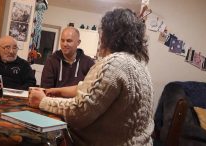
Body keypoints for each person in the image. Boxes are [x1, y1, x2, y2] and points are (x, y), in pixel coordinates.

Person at [28, 8, 154, 146]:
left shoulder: (114, 63)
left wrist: (43, 101)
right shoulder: (141, 66)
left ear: (109, 35)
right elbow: (90, 89)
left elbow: (79, 112)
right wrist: (57, 91)